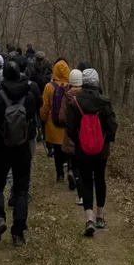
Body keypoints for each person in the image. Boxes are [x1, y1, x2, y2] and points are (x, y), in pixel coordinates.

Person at [0, 61, 37, 247]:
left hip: (1, 149)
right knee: (21, 190)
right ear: (19, 75)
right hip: (22, 149)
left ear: (3, 76)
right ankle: (18, 232)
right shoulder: (29, 97)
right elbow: (32, 122)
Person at [66, 67, 117, 237]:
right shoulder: (105, 102)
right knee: (100, 179)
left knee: (86, 181)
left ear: (83, 82)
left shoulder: (75, 103)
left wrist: (79, 141)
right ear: (97, 82)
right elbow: (112, 127)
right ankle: (100, 216)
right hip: (102, 151)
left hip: (82, 150)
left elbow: (70, 128)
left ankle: (89, 219)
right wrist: (107, 140)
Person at [41, 59, 71, 180]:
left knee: (57, 150)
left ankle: (60, 174)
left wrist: (43, 118)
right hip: (68, 125)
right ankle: (70, 169)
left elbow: (46, 106)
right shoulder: (71, 87)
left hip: (54, 124)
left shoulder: (49, 87)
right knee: (69, 148)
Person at [59, 69, 84, 204]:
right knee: (83, 164)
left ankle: (80, 195)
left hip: (71, 133)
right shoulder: (86, 95)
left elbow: (61, 117)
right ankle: (85, 193)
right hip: (85, 134)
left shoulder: (67, 96)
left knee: (74, 165)